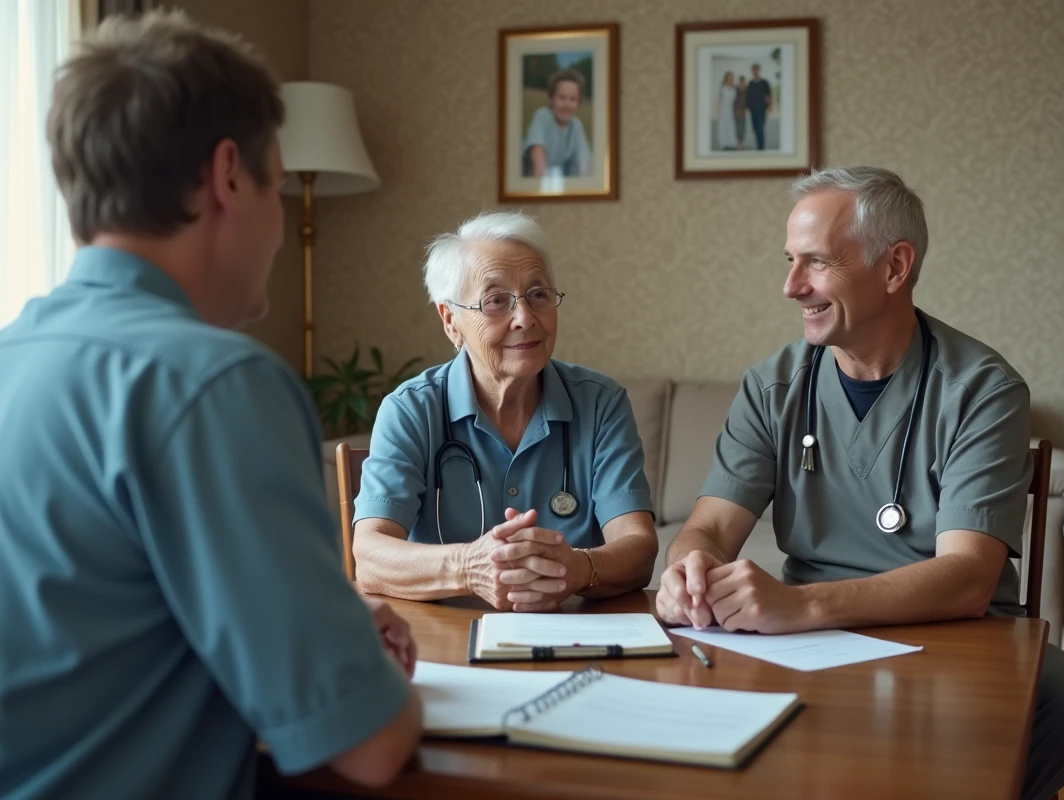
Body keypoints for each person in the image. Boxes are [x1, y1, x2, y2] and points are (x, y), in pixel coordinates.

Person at [0, 11, 422, 799]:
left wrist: (321, 627)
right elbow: (368, 746)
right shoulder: (214, 384)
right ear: (229, 175)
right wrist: (364, 676)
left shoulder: (13, 358)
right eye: (277, 180)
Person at [656, 166, 1064, 800]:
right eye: (789, 261)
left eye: (815, 263)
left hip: (955, 635)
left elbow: (968, 579)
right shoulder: (772, 387)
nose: (790, 286)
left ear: (894, 268)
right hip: (807, 640)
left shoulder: (982, 390)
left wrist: (801, 606)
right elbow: (708, 526)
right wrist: (688, 571)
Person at [351, 211, 658, 613]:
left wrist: (579, 568)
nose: (525, 318)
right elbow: (370, 556)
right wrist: (468, 566)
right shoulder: (411, 409)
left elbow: (639, 546)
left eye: (538, 295)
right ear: (451, 321)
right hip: (446, 641)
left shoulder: (600, 403)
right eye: (496, 301)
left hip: (571, 638)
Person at [521, 68, 592, 179]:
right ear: (551, 99)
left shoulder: (576, 126)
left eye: (573, 99)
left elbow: (583, 163)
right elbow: (537, 157)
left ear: (579, 103)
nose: (567, 104)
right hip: (531, 178)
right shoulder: (543, 116)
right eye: (561, 97)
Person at [745, 63, 772, 150]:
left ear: (759, 70)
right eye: (754, 70)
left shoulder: (764, 83)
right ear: (752, 71)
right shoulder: (750, 83)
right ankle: (759, 146)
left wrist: (770, 106)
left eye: (757, 69)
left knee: (760, 128)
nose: (755, 71)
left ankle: (761, 147)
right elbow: (748, 96)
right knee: (755, 128)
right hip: (753, 110)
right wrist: (747, 107)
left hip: (761, 110)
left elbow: (768, 96)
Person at [715, 71, 739, 150]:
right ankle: (723, 143)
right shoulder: (722, 88)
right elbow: (719, 99)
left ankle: (730, 143)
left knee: (730, 126)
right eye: (728, 77)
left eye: (731, 78)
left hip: (730, 110)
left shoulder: (734, 88)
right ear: (726, 78)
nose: (730, 79)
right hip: (723, 109)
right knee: (723, 126)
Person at [735, 75, 749, 149]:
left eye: (743, 81)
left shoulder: (746, 89)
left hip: (743, 111)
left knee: (743, 127)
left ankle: (741, 142)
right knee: (737, 127)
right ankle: (738, 142)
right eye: (741, 81)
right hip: (737, 111)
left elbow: (748, 100)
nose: (742, 82)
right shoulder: (736, 89)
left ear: (744, 82)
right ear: (739, 81)